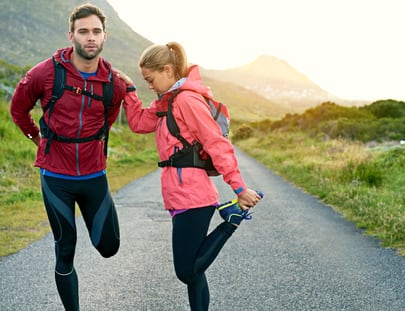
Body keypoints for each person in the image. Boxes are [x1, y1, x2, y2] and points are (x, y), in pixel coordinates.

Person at [118, 41, 263, 310]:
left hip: (193, 196)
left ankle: (230, 221)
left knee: (186, 271)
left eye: (150, 79)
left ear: (168, 70)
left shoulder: (186, 100)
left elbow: (216, 143)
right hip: (179, 195)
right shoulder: (168, 102)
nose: (149, 85)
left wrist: (239, 188)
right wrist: (129, 90)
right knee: (195, 274)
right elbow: (139, 123)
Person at [10, 4, 131, 310]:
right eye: (83, 31)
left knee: (109, 247)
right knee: (66, 248)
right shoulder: (46, 72)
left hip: (93, 175)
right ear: (71, 35)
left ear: (104, 37)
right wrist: (37, 138)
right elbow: (17, 109)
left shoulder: (114, 83)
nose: (90, 37)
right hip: (55, 176)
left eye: (96, 31)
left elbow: (109, 118)